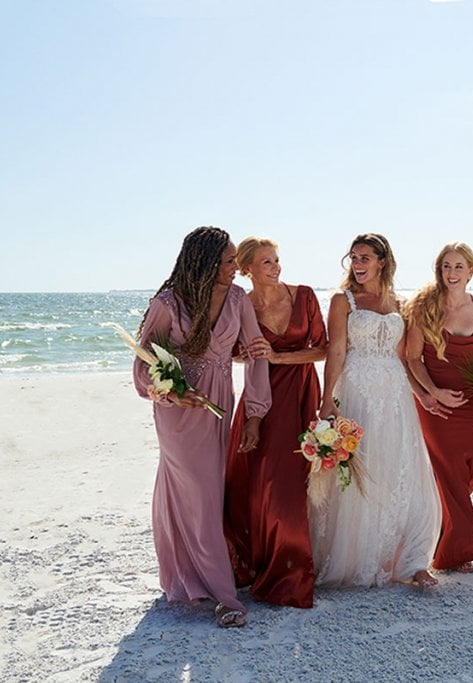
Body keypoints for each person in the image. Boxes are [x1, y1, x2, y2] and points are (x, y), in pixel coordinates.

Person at [132, 226, 271, 628]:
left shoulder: (238, 298)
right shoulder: (167, 303)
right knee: (200, 492)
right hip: (178, 410)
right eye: (229, 261)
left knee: (200, 490)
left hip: (219, 404)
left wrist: (256, 412)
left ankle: (186, 577)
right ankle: (224, 596)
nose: (235, 267)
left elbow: (257, 353)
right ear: (207, 261)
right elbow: (144, 363)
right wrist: (175, 395)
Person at [313, 233, 441, 588]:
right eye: (353, 257)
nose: (357, 263)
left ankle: (410, 560)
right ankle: (356, 557)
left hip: (395, 391)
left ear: (382, 261)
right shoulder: (344, 301)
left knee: (398, 466)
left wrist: (422, 394)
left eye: (365, 257)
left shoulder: (401, 304)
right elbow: (336, 351)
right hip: (356, 389)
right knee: (361, 466)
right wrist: (327, 401)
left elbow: (403, 357)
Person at [223, 237, 328, 608]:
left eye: (277, 260)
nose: (276, 267)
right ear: (248, 268)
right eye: (267, 262)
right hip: (260, 400)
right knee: (256, 481)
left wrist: (279, 359)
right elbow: (234, 353)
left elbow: (323, 349)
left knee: (292, 481)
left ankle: (292, 571)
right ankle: (255, 563)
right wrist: (253, 357)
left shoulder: (305, 296)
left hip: (299, 393)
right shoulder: (239, 304)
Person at [404, 243, 473, 572]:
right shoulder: (425, 306)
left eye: (458, 267)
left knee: (467, 471)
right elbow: (412, 358)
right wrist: (434, 393)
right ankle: (459, 551)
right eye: (446, 267)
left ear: (471, 271)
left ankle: (443, 535)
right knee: (449, 472)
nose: (451, 273)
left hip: (469, 402)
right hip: (434, 402)